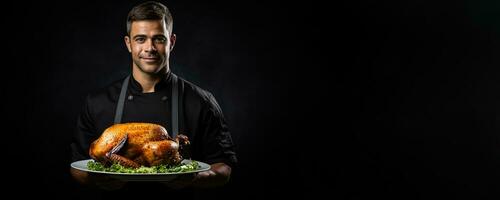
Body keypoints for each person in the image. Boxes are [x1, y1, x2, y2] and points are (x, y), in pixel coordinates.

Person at [69, 1, 237, 193]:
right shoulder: (98, 103)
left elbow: (223, 167)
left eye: (158, 39)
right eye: (140, 39)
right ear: (128, 44)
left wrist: (194, 178)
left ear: (171, 42)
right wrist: (97, 180)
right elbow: (77, 167)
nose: (150, 47)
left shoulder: (201, 102)